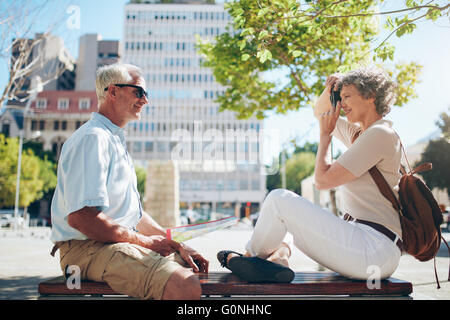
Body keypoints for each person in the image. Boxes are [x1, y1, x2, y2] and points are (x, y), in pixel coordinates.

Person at [218, 67, 403, 283]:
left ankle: (249, 257)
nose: (341, 104)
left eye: (347, 97)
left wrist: (325, 136)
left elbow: (322, 181)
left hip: (373, 250)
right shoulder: (361, 134)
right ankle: (279, 260)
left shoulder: (380, 133)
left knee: (279, 200)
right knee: (280, 223)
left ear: (370, 96)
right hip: (367, 248)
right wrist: (330, 90)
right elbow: (322, 114)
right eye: (340, 97)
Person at [50, 63, 208, 300]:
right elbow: (82, 217)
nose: (145, 100)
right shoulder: (94, 139)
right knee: (184, 285)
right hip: (87, 249)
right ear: (112, 91)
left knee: (192, 269)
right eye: (139, 92)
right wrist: (146, 242)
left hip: (109, 244)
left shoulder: (113, 140)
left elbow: (134, 215)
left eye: (146, 94)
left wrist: (174, 243)